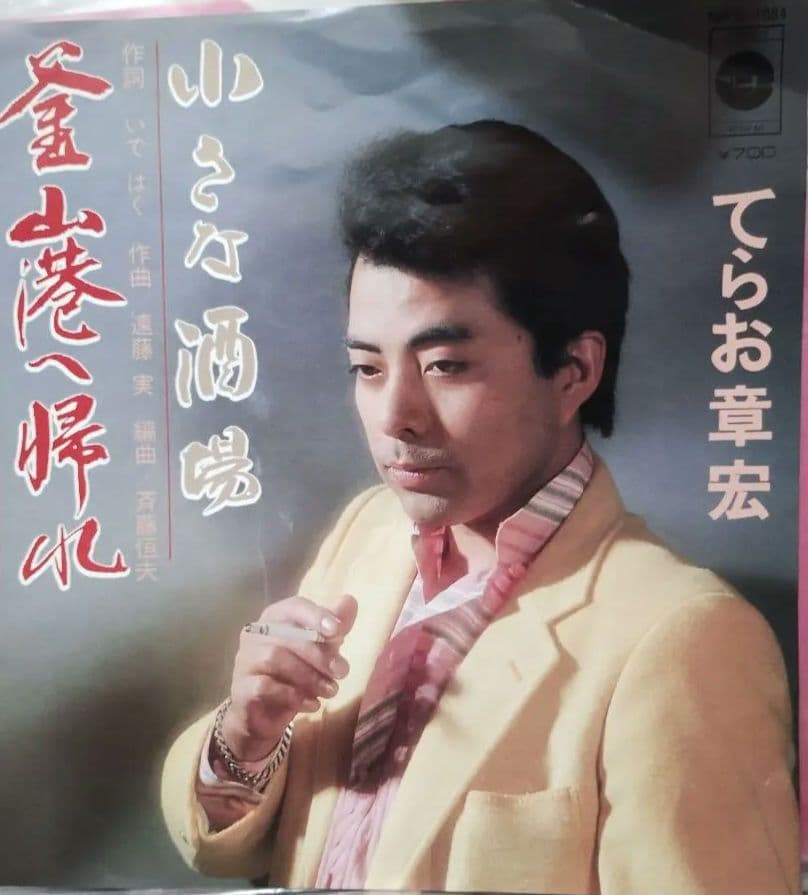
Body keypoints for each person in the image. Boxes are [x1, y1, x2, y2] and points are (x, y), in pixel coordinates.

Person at [161, 120, 798, 895]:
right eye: (367, 367)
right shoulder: (370, 531)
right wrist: (246, 736)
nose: (396, 415)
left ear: (574, 369)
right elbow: (234, 848)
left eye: (445, 365)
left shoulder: (684, 636)